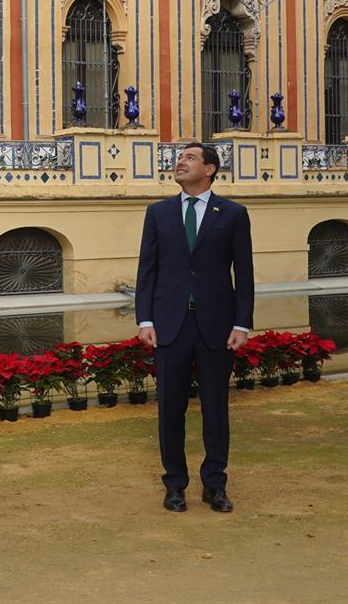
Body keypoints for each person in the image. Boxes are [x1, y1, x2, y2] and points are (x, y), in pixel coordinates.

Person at [135, 141, 254, 514]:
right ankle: (174, 485)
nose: (180, 162)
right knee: (170, 409)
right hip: (169, 325)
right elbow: (147, 271)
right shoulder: (158, 213)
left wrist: (242, 323)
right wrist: (145, 319)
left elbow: (245, 274)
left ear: (210, 169)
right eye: (179, 158)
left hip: (216, 326)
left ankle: (215, 485)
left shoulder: (233, 214)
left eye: (189, 158)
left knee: (216, 408)